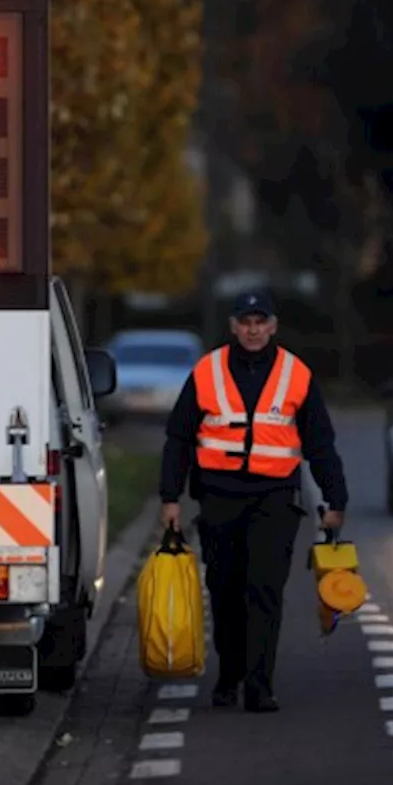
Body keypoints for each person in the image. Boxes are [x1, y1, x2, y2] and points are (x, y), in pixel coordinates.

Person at [158, 289, 348, 712]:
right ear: (233, 326)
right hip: (219, 498)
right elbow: (179, 437)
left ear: (274, 326)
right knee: (225, 591)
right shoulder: (206, 372)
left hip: (274, 499)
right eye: (246, 322)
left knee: (264, 590)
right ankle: (230, 674)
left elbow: (321, 443)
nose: (253, 329)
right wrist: (170, 497)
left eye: (261, 321)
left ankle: (260, 685)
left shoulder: (296, 375)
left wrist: (336, 499)